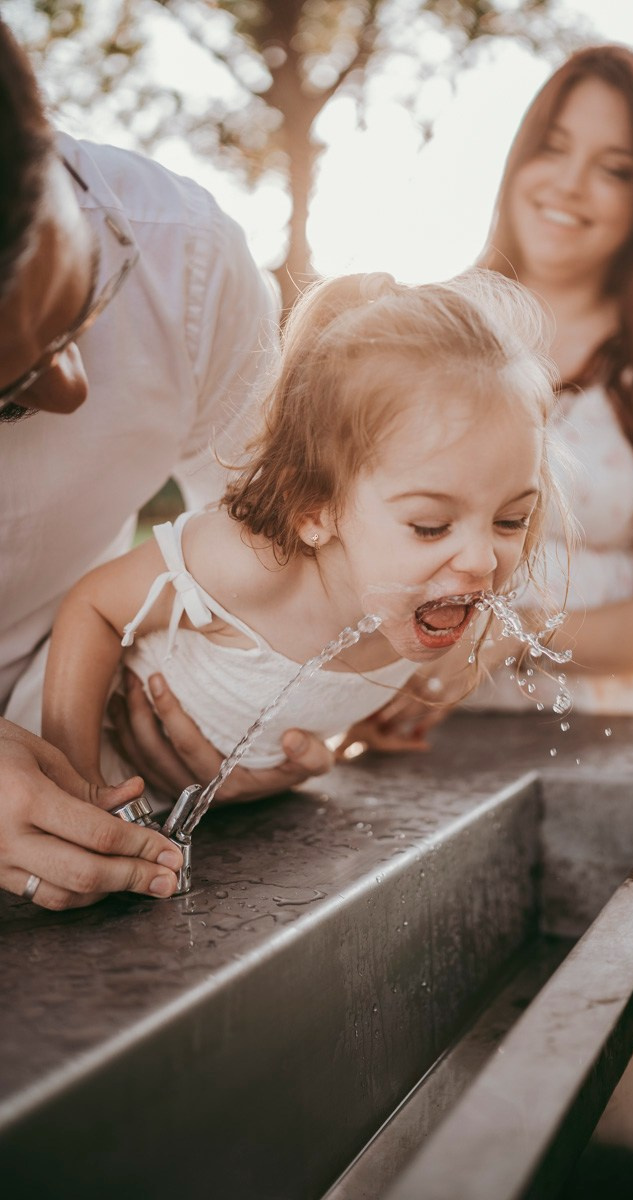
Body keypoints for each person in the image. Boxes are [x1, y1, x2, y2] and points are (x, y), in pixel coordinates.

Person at [0, 17, 333, 910]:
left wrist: (255, 716)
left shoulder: (183, 257)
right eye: (9, 396)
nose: (71, 390)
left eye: (79, 304)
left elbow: (282, 553)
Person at [40, 270, 557, 812]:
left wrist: (370, 723)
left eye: (511, 520)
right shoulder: (251, 565)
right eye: (431, 525)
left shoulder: (439, 608)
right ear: (314, 508)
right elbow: (93, 608)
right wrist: (74, 789)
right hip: (103, 770)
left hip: (224, 820)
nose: (480, 560)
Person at [358, 42, 633, 747]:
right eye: (554, 147)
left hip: (615, 735)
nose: (570, 185)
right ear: (519, 159)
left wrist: (508, 639)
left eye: (615, 169)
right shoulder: (431, 326)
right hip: (424, 731)